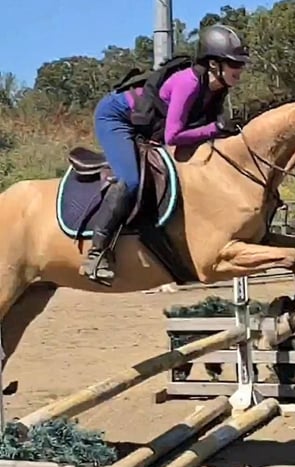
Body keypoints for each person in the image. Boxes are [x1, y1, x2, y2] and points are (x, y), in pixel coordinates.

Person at [82, 23, 250, 285]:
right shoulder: (189, 83)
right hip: (117, 117)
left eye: (241, 63)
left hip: (147, 125)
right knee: (130, 180)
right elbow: (174, 136)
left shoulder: (217, 88)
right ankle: (96, 253)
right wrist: (215, 128)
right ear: (213, 64)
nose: (240, 69)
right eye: (234, 63)